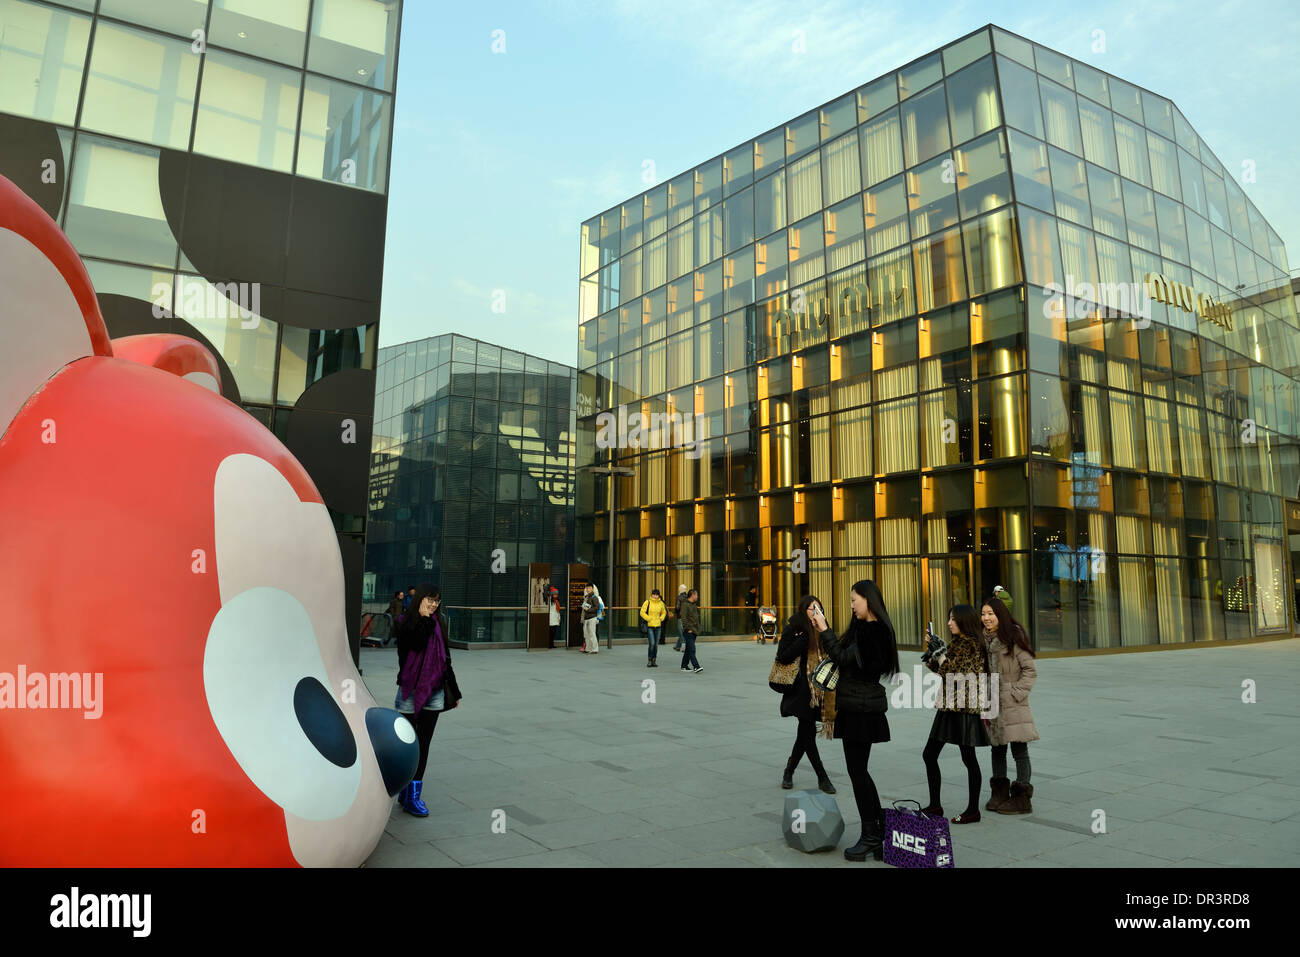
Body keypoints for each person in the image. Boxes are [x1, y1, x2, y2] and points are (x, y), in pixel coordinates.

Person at [818, 581, 899, 862]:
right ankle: (877, 829)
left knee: (857, 772)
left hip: (861, 709)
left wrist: (824, 630)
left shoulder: (874, 632)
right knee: (859, 771)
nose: (852, 605)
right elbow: (842, 656)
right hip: (858, 705)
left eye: (855, 600)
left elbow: (841, 658)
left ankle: (871, 835)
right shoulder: (866, 629)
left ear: (868, 600)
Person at [394, 584, 462, 817]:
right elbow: (412, 646)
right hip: (410, 691)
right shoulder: (404, 622)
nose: (433, 605)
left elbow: (446, 659)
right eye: (429, 600)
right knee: (406, 744)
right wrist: (423, 620)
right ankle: (403, 788)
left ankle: (413, 796)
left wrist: (454, 691)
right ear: (419, 600)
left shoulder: (439, 622)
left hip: (434, 692)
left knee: (423, 744)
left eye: (437, 601)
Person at [921, 604, 992, 825]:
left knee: (968, 758)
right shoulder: (958, 642)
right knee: (929, 754)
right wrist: (934, 650)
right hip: (949, 706)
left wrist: (941, 654)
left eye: (953, 619)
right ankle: (935, 805)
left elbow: (955, 674)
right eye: (949, 618)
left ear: (964, 621)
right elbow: (943, 669)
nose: (949, 623)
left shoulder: (973, 645)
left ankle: (972, 810)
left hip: (964, 708)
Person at [774, 595, 838, 796]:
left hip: (820, 690)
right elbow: (782, 656)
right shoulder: (794, 628)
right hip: (801, 690)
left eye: (819, 609)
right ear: (803, 611)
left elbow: (834, 653)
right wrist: (805, 637)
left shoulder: (824, 629)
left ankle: (789, 770)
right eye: (812, 609)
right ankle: (822, 776)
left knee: (805, 734)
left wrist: (822, 631)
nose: (816, 613)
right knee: (807, 731)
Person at [980, 596, 1038, 814]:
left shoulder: (1012, 637)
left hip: (1012, 703)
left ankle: (1022, 799)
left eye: (991, 614)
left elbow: (1030, 670)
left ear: (1000, 615)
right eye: (984, 614)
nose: (986, 618)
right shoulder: (982, 639)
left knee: (1019, 749)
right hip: (991, 702)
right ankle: (1000, 793)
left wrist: (1015, 693)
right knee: (997, 749)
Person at [639, 588, 668, 667]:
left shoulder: (661, 603)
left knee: (656, 645)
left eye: (657, 594)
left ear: (659, 595)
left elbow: (664, 612)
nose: (655, 596)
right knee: (652, 643)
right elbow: (642, 612)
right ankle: (649, 660)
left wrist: (661, 618)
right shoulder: (647, 602)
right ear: (651, 595)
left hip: (658, 626)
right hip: (650, 626)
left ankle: (654, 660)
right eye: (654, 594)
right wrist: (649, 618)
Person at [678, 588, 703, 673]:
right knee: (692, 649)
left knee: (688, 649)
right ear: (692, 595)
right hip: (689, 631)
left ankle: (684, 666)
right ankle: (696, 666)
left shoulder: (694, 605)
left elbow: (696, 618)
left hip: (694, 630)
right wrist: (688, 629)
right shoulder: (685, 605)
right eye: (696, 594)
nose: (697, 596)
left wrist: (698, 629)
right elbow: (684, 618)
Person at [580, 583, 603, 654]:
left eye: (589, 588)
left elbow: (597, 607)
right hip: (586, 618)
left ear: (592, 589)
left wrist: (588, 610)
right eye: (587, 588)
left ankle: (594, 649)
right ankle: (588, 648)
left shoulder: (594, 597)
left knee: (592, 633)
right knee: (586, 634)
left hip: (592, 618)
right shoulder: (586, 597)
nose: (588, 589)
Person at [672, 583, 688, 652]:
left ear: (681, 590)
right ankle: (678, 646)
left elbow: (677, 607)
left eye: (679, 588)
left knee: (682, 633)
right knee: (683, 631)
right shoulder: (688, 597)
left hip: (680, 617)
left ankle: (686, 648)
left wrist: (675, 612)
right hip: (687, 617)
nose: (678, 589)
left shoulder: (679, 597)